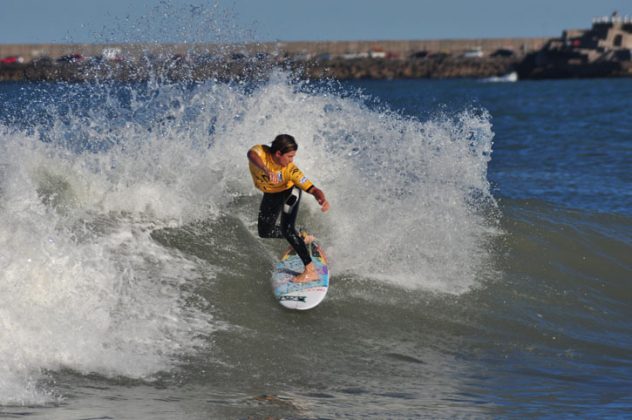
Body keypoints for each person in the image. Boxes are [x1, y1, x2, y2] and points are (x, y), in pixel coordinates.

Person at [247, 134, 330, 282]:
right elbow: (251, 154)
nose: (292, 160)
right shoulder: (262, 152)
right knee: (265, 231)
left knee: (287, 229)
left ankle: (311, 271)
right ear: (278, 153)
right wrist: (266, 170)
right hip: (271, 194)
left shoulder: (291, 170)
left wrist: (321, 198)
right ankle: (301, 236)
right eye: (289, 156)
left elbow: (313, 189)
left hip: (290, 193)